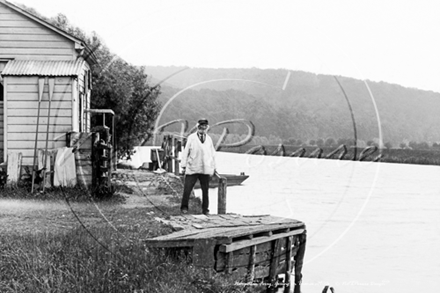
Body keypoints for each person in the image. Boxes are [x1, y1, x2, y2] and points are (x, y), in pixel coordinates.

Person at [180, 118, 216, 215]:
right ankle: (184, 207)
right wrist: (183, 165)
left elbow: (212, 154)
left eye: (205, 126)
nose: (203, 128)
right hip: (192, 167)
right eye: (201, 126)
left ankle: (205, 209)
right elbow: (186, 151)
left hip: (205, 168)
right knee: (187, 188)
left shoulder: (209, 139)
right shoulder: (191, 138)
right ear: (198, 127)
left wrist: (213, 167)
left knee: (205, 190)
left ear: (207, 128)